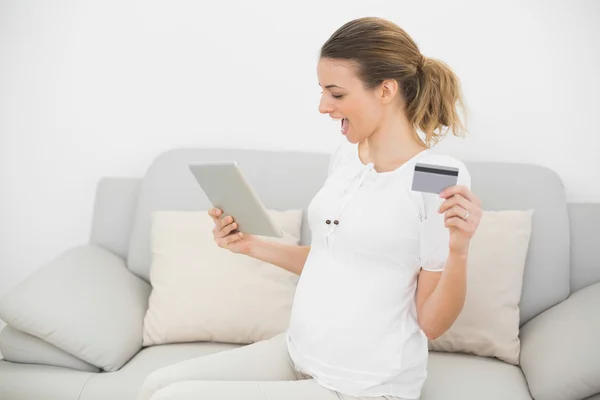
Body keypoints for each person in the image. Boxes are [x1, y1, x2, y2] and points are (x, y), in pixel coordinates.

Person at [139, 16, 482, 400]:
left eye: (336, 94)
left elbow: (432, 323)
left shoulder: (436, 175)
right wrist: (249, 243)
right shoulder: (346, 157)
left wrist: (459, 249)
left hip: (363, 385)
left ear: (385, 90)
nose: (322, 106)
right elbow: (333, 257)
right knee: (156, 385)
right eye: (322, 91)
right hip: (300, 354)